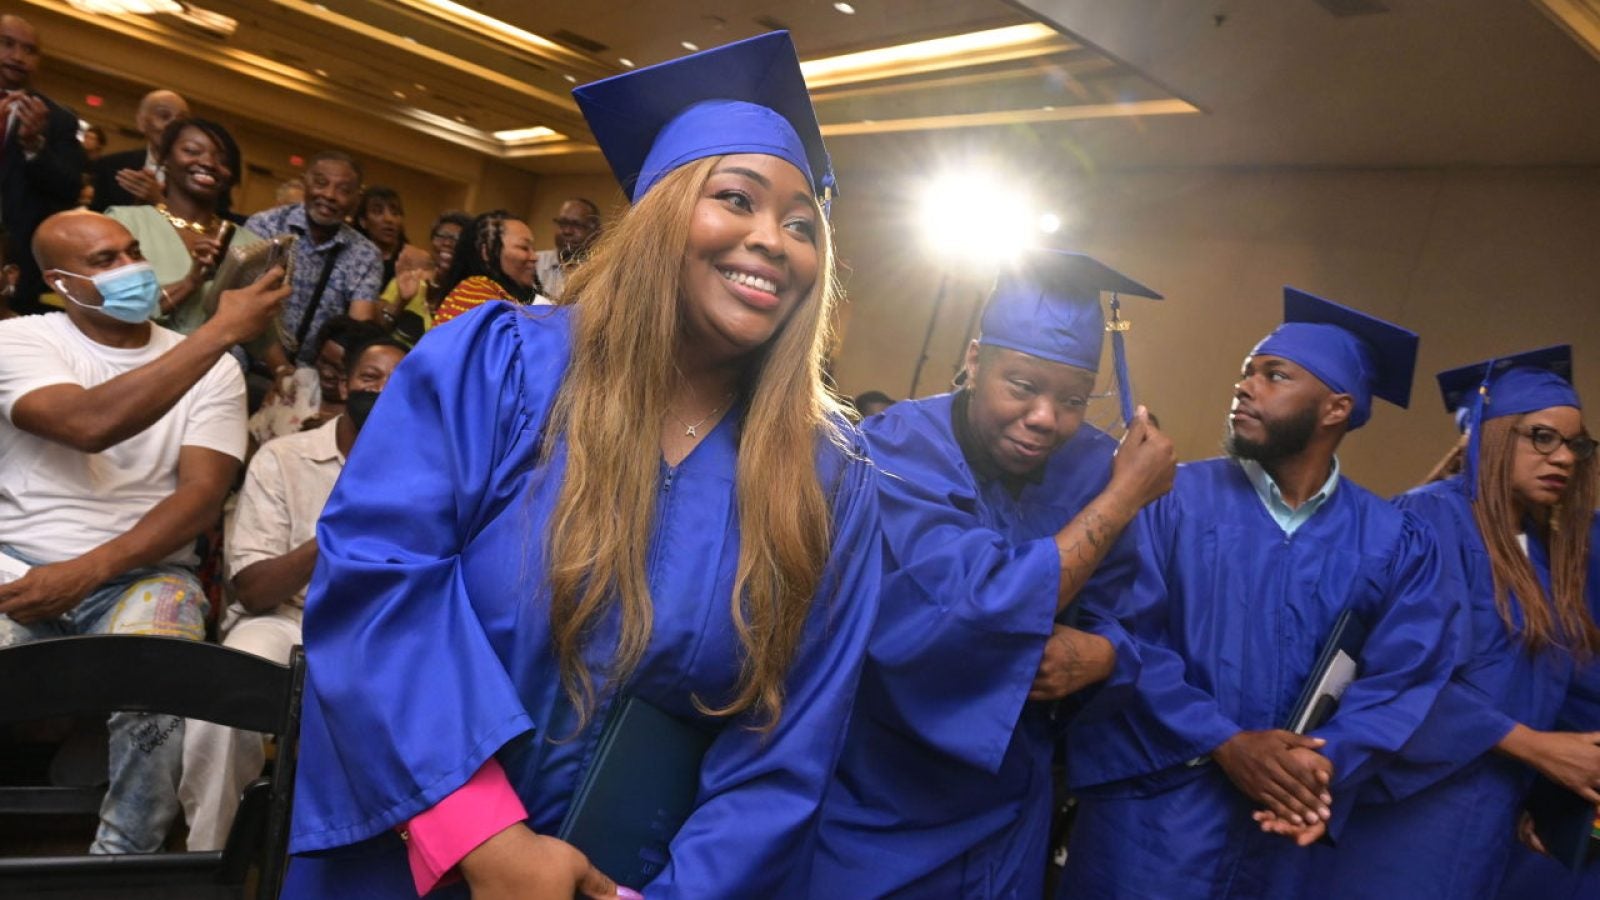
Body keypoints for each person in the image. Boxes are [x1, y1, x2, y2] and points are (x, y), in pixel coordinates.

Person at [284, 31, 880, 898]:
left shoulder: (828, 477)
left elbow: (792, 736)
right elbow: (381, 581)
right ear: (659, 215)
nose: (773, 241)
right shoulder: (496, 367)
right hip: (411, 848)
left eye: (801, 224)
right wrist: (485, 839)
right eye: (737, 199)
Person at [1058, 288, 1457, 899]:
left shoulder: (1395, 540)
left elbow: (1405, 671)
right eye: (1246, 373)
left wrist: (1326, 762)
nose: (1245, 387)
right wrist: (1223, 740)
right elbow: (1125, 632)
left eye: (1274, 376)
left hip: (1288, 824)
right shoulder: (1172, 498)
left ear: (1335, 408)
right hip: (1158, 819)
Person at [811, 250, 1175, 898]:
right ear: (976, 360)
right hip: (876, 792)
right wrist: (1122, 500)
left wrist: (1103, 654)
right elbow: (974, 606)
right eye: (1023, 385)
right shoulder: (895, 447)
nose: (1046, 418)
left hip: (1009, 812)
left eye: (1072, 398)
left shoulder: (1094, 464)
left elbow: (1134, 620)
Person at [0, 209, 285, 853]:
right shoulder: (21, 342)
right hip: (16, 564)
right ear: (60, 281)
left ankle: (121, 864)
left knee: (164, 676)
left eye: (132, 251)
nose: (132, 268)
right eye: (104, 261)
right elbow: (87, 422)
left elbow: (200, 498)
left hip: (141, 575)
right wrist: (215, 332)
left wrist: (90, 572)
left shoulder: (216, 368)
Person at [1311, 346, 1600, 899]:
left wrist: (1546, 792)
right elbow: (1393, 671)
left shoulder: (1543, 555)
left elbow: (1541, 689)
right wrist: (1534, 748)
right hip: (1408, 814)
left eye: (1575, 444)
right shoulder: (1429, 518)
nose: (1563, 458)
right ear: (1491, 437)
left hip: (1489, 821)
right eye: (1542, 436)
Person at [180, 335, 407, 851]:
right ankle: (211, 859)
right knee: (226, 692)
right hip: (285, 621)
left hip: (380, 631)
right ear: (345, 383)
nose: (384, 388)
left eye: (400, 379)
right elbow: (256, 589)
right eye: (371, 377)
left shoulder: (430, 470)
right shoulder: (283, 459)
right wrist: (340, 528)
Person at [105, 117, 261, 334]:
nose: (208, 163)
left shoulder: (249, 243)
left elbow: (260, 334)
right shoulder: (124, 222)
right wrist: (190, 283)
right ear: (164, 158)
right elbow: (109, 309)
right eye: (192, 151)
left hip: (210, 366)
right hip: (127, 358)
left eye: (223, 159)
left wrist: (285, 369)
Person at [243, 150, 381, 381]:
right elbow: (247, 304)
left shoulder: (366, 254)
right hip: (246, 358)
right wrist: (281, 369)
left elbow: (355, 331)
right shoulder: (265, 226)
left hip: (313, 376)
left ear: (357, 198)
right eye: (321, 183)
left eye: (344, 190)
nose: (329, 195)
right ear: (305, 181)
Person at [0, 13, 87, 313]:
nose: (18, 57)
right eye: (7, 44)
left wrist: (34, 147)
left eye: (29, 50)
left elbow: (70, 187)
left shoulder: (56, 118)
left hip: (16, 259)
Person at [430, 209, 541, 326]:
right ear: (486, 252)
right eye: (524, 247)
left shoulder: (512, 298)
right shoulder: (475, 296)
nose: (534, 257)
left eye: (533, 248)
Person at [88, 88, 188, 212]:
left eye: (181, 120)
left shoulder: (193, 175)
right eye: (164, 116)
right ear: (141, 122)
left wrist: (159, 201)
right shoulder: (111, 167)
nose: (173, 125)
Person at [377, 210, 469, 340]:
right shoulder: (409, 278)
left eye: (457, 238)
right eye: (441, 236)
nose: (447, 243)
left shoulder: (469, 296)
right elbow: (377, 329)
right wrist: (401, 301)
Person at [535, 197, 602, 300]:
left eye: (576, 225)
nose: (567, 231)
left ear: (596, 233)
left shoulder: (601, 273)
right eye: (562, 223)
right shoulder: (533, 263)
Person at [354, 185, 409, 287]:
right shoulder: (352, 258)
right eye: (377, 212)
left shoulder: (410, 261)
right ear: (363, 221)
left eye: (395, 213)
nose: (389, 219)